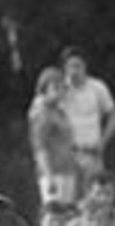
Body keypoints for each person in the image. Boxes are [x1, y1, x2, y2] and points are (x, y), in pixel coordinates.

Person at [57, 46, 115, 196]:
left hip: (92, 154)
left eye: (78, 65)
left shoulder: (97, 87)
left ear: (85, 66)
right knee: (67, 200)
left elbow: (114, 116)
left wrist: (103, 141)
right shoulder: (58, 89)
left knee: (93, 197)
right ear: (64, 68)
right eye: (70, 66)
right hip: (67, 154)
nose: (74, 70)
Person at [29, 66, 79, 206]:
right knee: (54, 215)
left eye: (62, 87)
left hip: (67, 170)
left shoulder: (60, 112)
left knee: (68, 214)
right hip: (53, 172)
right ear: (44, 90)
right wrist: (48, 175)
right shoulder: (42, 113)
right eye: (55, 87)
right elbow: (40, 147)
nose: (60, 91)